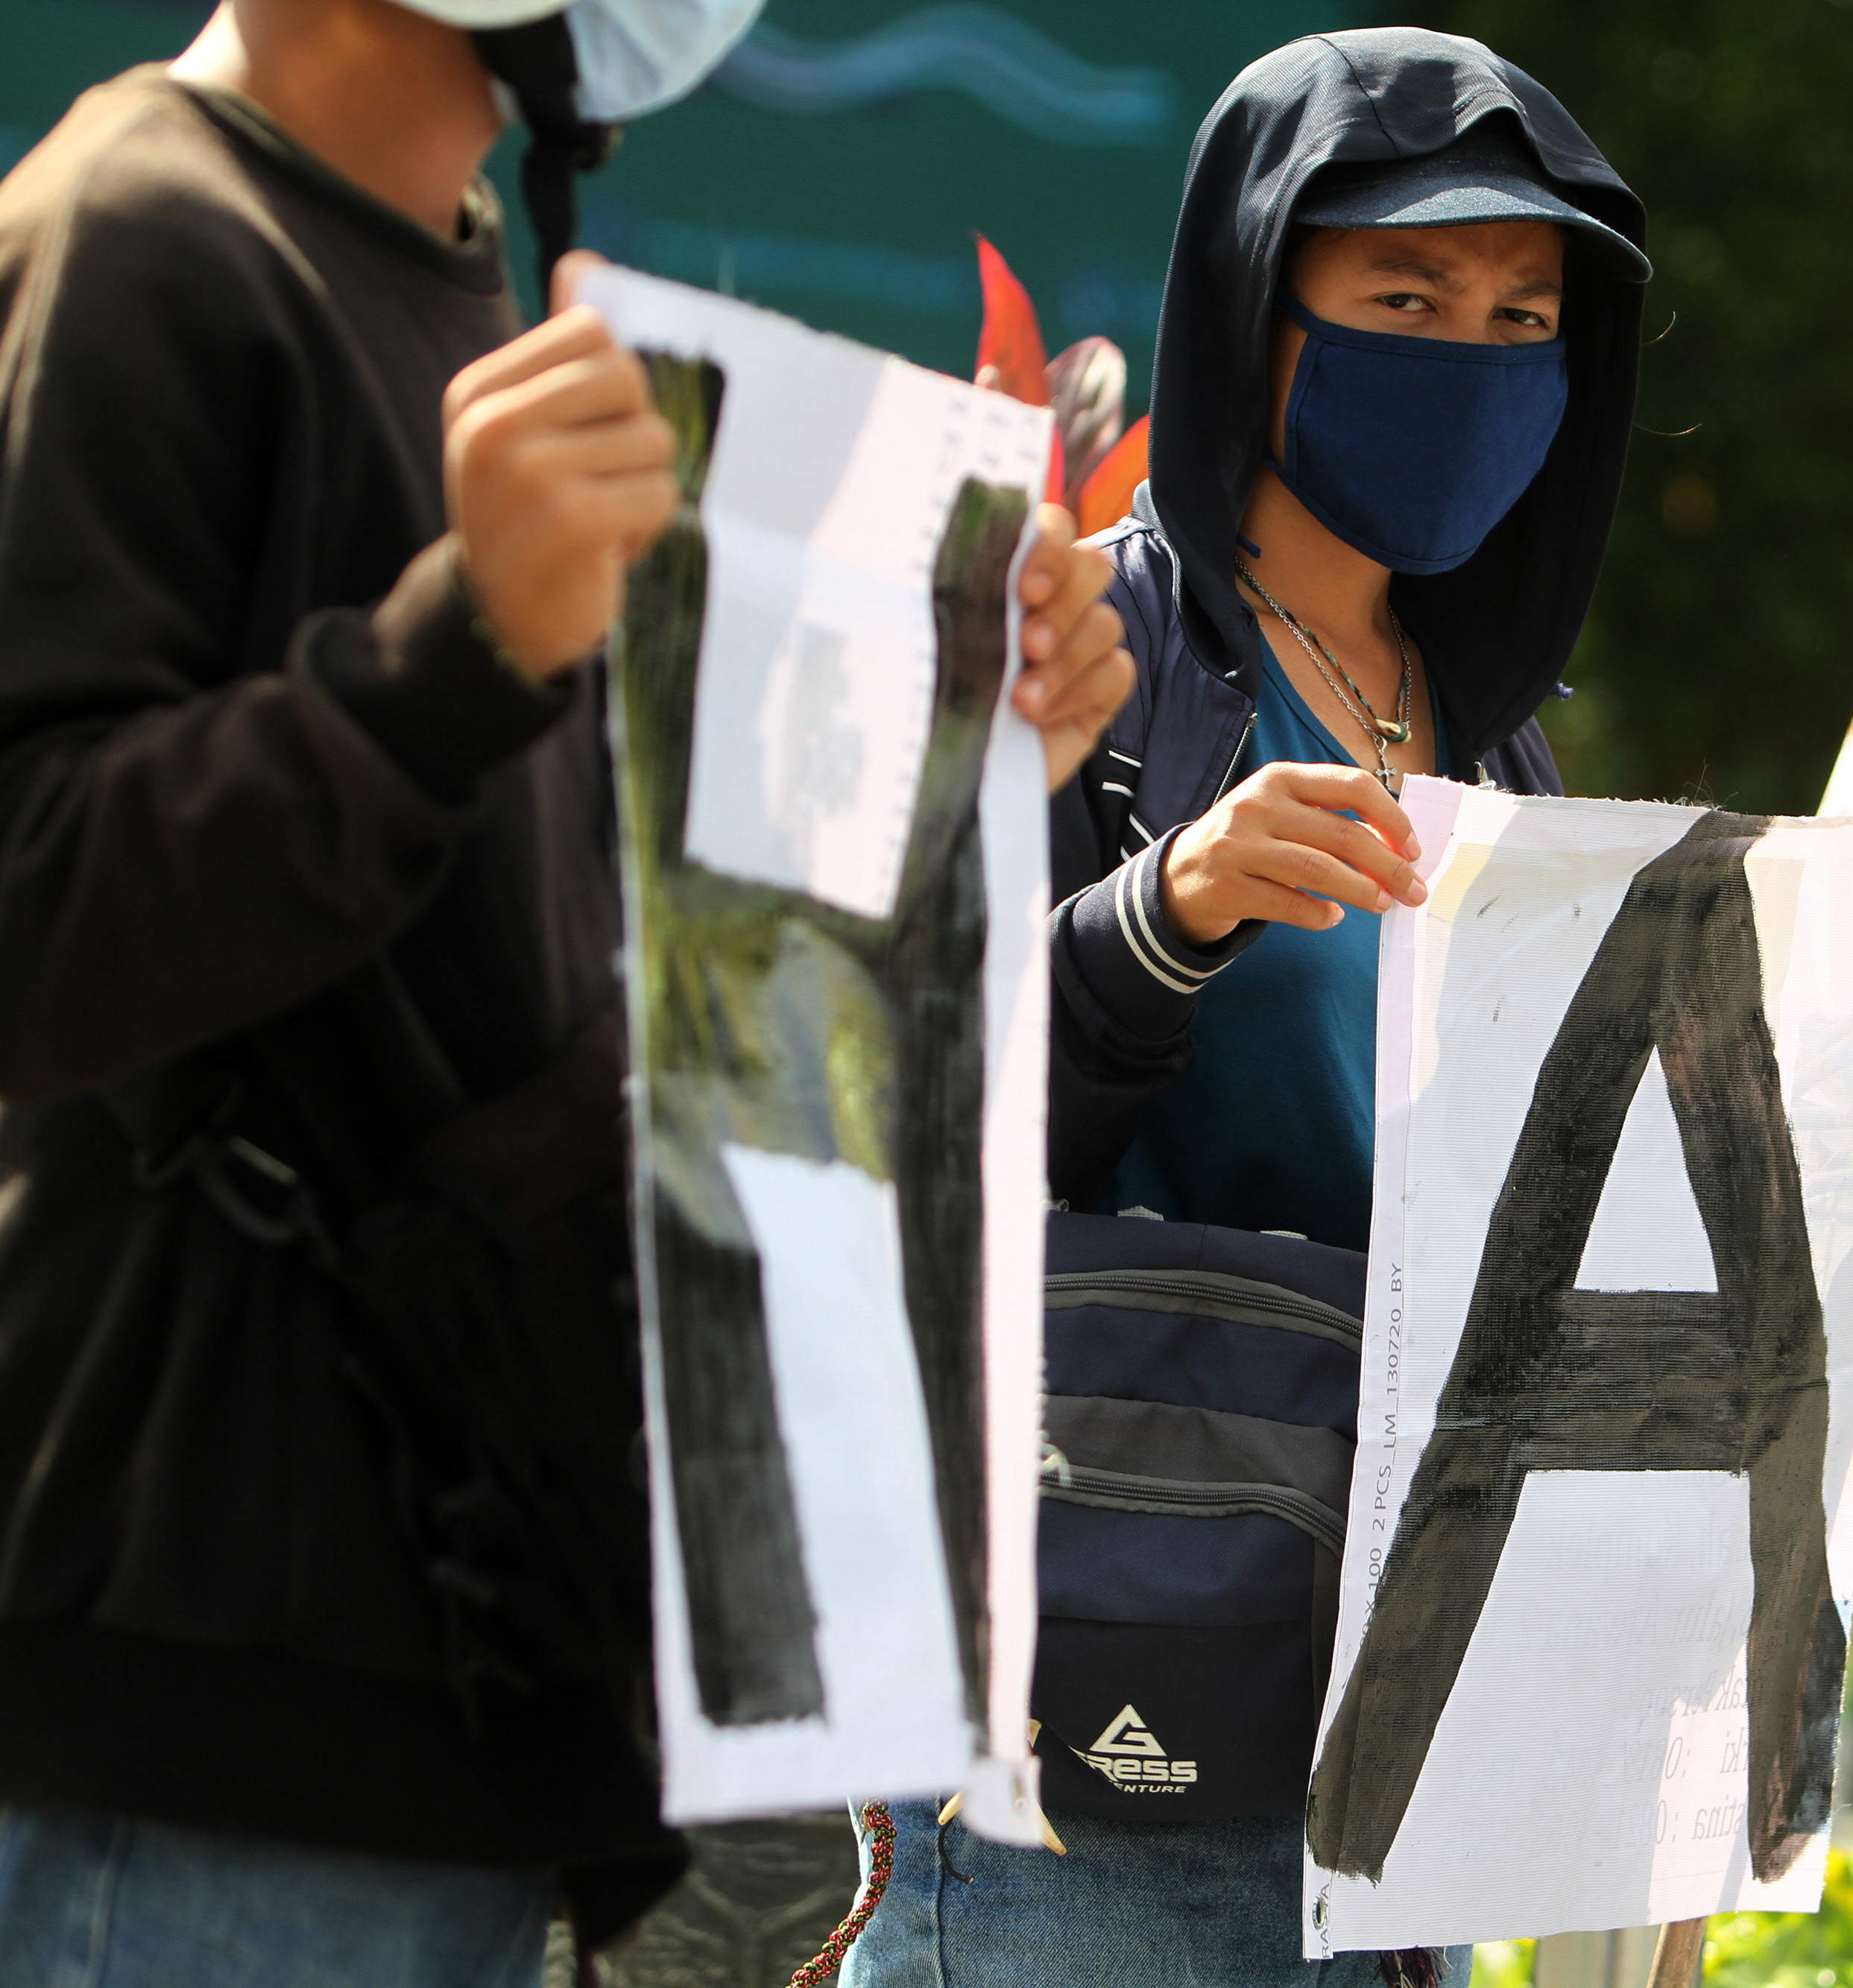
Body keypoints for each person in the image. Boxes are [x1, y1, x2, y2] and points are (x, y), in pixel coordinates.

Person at [841, 28, 1853, 1988]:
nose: (1472, 355)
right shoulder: (1088, 658)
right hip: (1084, 1752)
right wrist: (1173, 905)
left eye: (1523, 317)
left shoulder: (1513, 774)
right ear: (1254, 311)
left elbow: (1638, 1239)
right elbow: (896, 1107)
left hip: (1386, 1759)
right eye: (1404, 297)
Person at [0, 1, 1133, 1980]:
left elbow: (579, 978)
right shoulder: (137, 230)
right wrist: (454, 649)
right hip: (188, 1716)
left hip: (450, 1691)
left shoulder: (461, 292)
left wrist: (963, 764)